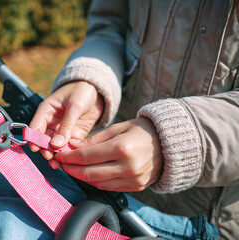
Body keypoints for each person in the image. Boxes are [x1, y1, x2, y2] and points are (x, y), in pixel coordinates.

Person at [28, 0, 239, 239]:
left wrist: (177, 143)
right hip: (110, 206)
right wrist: (91, 78)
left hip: (212, 226)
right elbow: (110, 24)